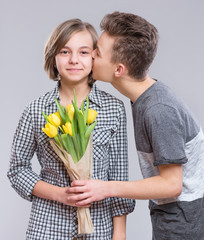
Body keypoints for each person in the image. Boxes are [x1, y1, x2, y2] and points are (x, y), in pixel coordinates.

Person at [68, 12, 204, 239]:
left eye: (98, 52)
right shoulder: (147, 98)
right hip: (178, 225)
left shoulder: (158, 109)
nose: (90, 55)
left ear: (119, 69)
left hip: (186, 232)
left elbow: (172, 185)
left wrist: (105, 187)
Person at [7, 18, 135, 240]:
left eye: (84, 52)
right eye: (65, 52)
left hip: (99, 229)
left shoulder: (114, 109)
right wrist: (60, 194)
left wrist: (119, 235)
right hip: (47, 228)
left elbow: (119, 180)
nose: (74, 60)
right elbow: (17, 170)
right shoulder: (36, 110)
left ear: (94, 57)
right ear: (53, 57)